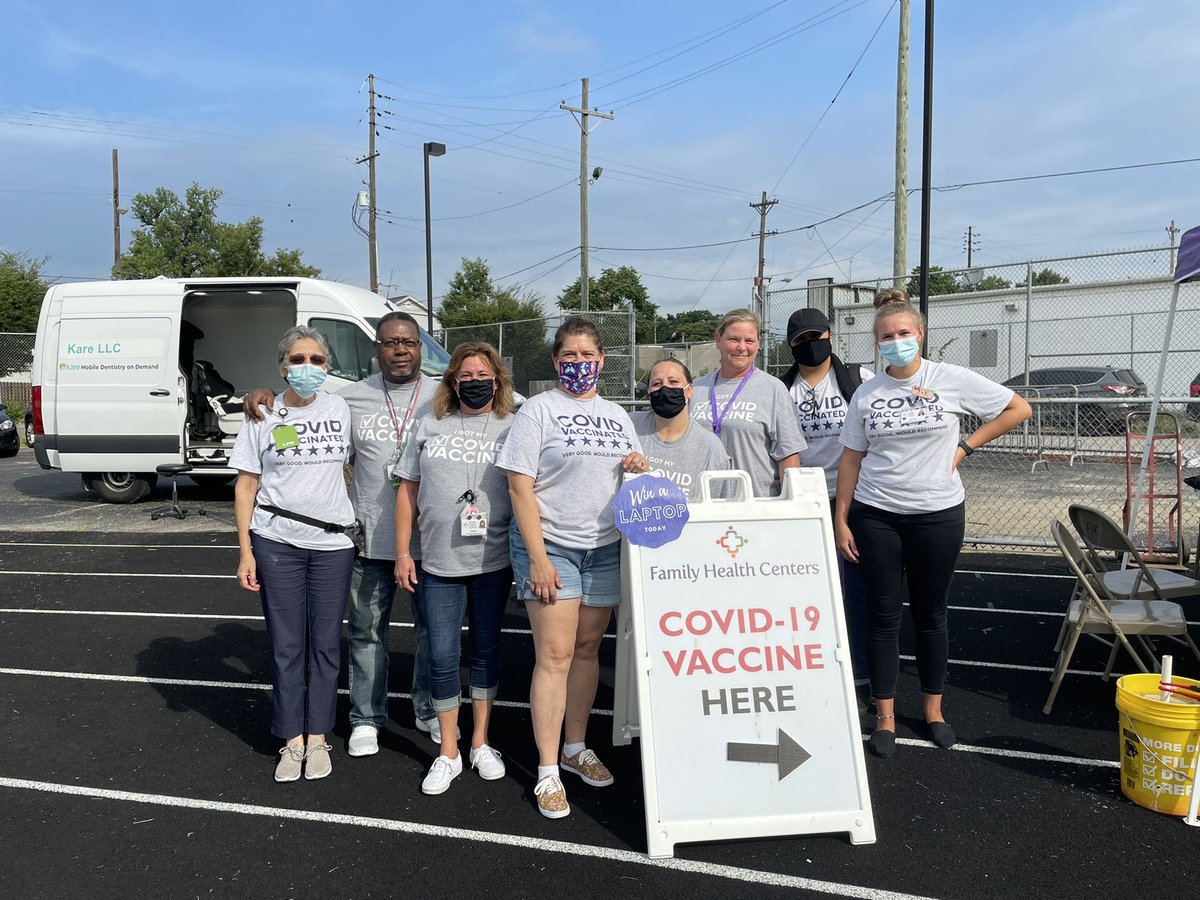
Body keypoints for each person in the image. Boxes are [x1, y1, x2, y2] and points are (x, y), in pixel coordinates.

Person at [833, 295, 1031, 758]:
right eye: (887, 336)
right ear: (876, 342)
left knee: (931, 614)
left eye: (904, 333)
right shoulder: (867, 392)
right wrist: (842, 518)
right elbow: (851, 458)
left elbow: (1017, 408)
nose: (896, 342)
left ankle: (933, 710)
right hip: (876, 513)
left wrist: (965, 447)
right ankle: (883, 715)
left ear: (920, 335)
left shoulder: (950, 378)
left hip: (938, 514)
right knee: (883, 617)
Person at [244, 312, 444, 760]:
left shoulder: (442, 395)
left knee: (432, 632)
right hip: (368, 533)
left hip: (429, 538)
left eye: (409, 342)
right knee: (366, 631)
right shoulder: (348, 399)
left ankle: (429, 709)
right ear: (377, 348)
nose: (400, 350)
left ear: (419, 347)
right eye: (391, 342)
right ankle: (366, 717)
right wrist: (260, 395)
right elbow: (298, 406)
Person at [496, 316, 649, 820]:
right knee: (555, 655)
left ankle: (575, 746)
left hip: (603, 546)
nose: (578, 363)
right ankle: (546, 771)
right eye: (568, 356)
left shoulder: (617, 414)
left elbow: (629, 469)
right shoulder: (538, 411)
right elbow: (520, 487)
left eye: (587, 355)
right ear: (555, 361)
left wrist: (636, 468)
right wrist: (537, 558)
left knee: (586, 650)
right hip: (552, 547)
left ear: (602, 361)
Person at [232, 326, 355, 782]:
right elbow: (246, 485)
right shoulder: (262, 412)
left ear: (328, 366)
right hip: (275, 540)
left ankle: (319, 736)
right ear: (283, 366)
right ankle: (292, 740)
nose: (308, 368)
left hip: (332, 544)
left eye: (317, 360)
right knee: (287, 646)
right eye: (298, 359)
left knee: (325, 645)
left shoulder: (342, 407)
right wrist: (246, 551)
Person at [394, 342, 515, 795]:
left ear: (497, 379)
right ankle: (449, 750)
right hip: (438, 562)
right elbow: (406, 490)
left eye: (483, 374)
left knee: (485, 652)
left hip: (493, 561)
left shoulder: (513, 423)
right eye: (465, 376)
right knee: (443, 657)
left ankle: (481, 742)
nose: (475, 382)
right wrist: (404, 552)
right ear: (452, 381)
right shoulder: (429, 422)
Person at [779, 307, 872, 688]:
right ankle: (814, 665)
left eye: (818, 336)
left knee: (857, 589)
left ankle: (861, 672)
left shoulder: (857, 379)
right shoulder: (781, 389)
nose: (812, 345)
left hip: (856, 498)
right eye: (802, 340)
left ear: (831, 336)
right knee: (811, 589)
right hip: (806, 499)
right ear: (791, 346)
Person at [689, 308, 806, 497]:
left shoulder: (773, 388)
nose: (742, 347)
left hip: (755, 506)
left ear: (758, 343)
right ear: (718, 340)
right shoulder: (696, 388)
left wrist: (791, 507)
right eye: (734, 339)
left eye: (749, 340)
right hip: (703, 504)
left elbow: (789, 456)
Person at [631, 357, 730, 501]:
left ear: (689, 390)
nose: (665, 388)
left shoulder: (710, 448)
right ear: (649, 392)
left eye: (674, 382)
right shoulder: (630, 425)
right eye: (657, 383)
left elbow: (719, 507)